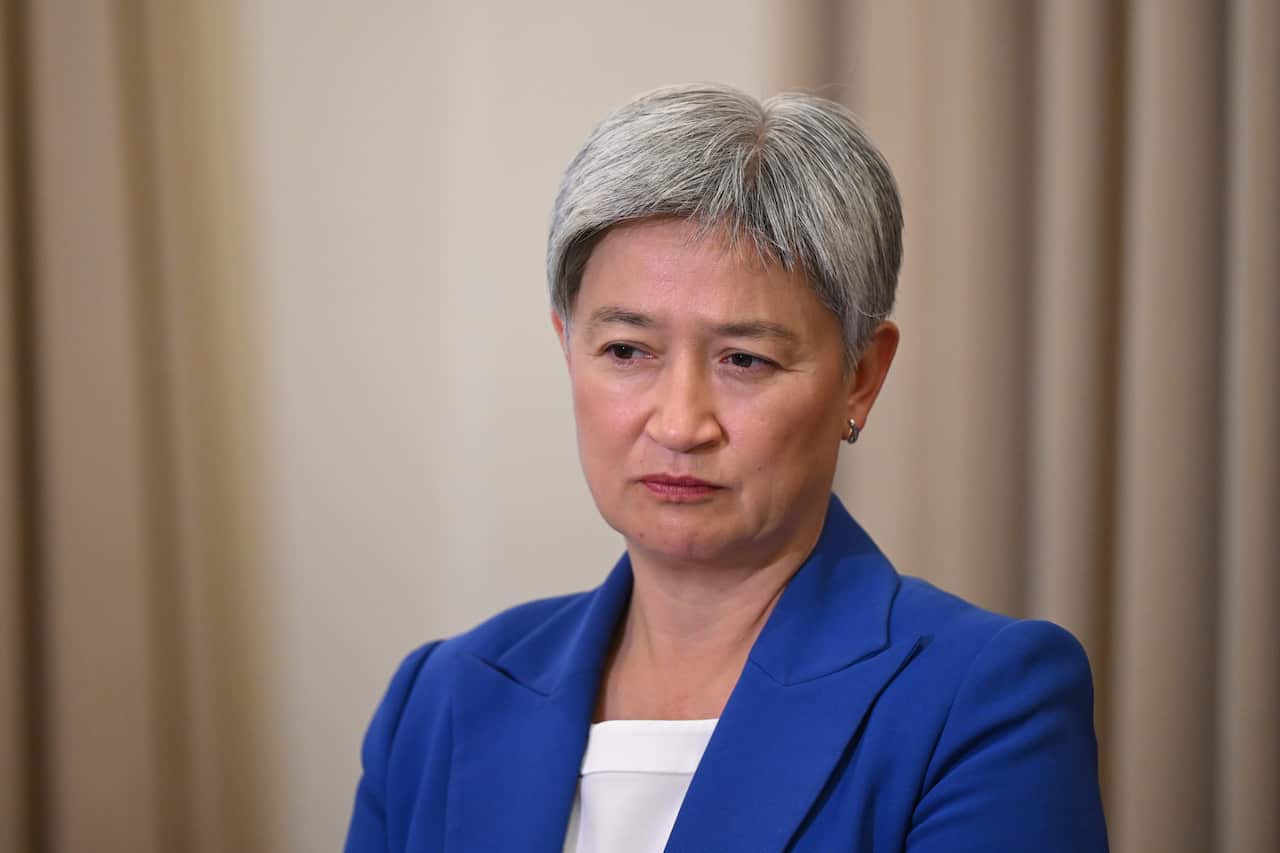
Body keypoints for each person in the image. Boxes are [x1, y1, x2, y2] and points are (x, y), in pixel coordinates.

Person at [344, 84, 1108, 853]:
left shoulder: (981, 701)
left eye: (745, 359)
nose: (680, 424)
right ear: (567, 347)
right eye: (626, 351)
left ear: (861, 377)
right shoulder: (439, 702)